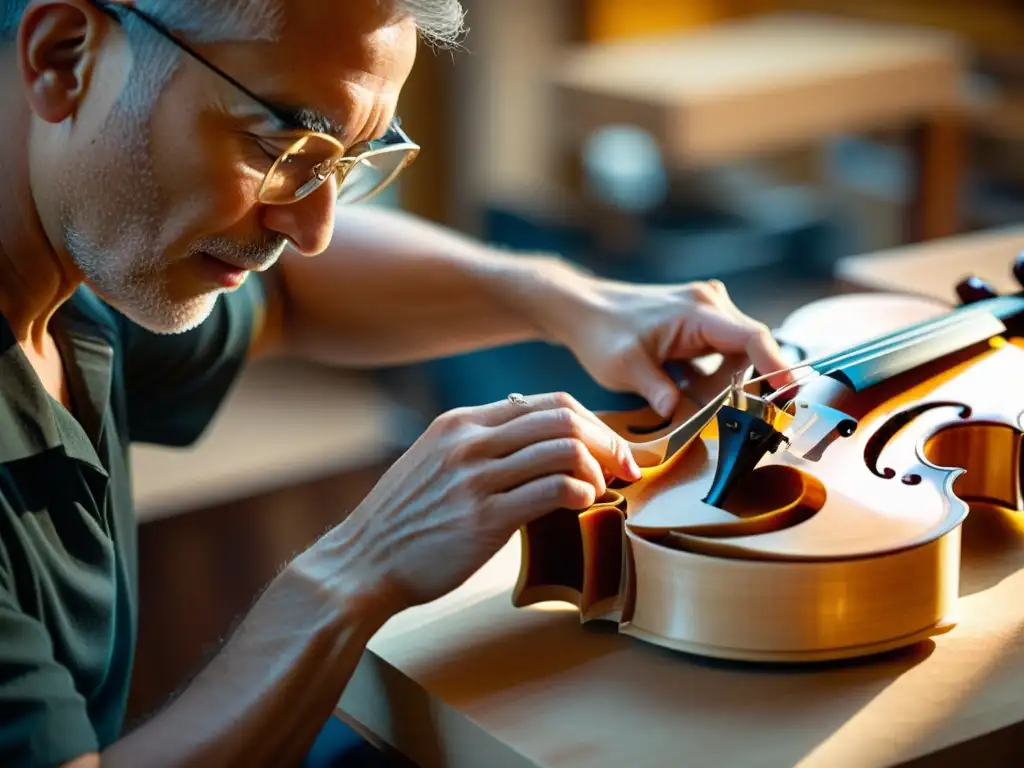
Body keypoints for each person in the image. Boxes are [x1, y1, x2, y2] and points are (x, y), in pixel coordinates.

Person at [0, 0, 795, 765]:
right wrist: (355, 568)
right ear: (63, 57)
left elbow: (291, 296)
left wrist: (574, 302)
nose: (313, 233)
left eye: (341, 167)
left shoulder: (78, 280)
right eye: (278, 151)